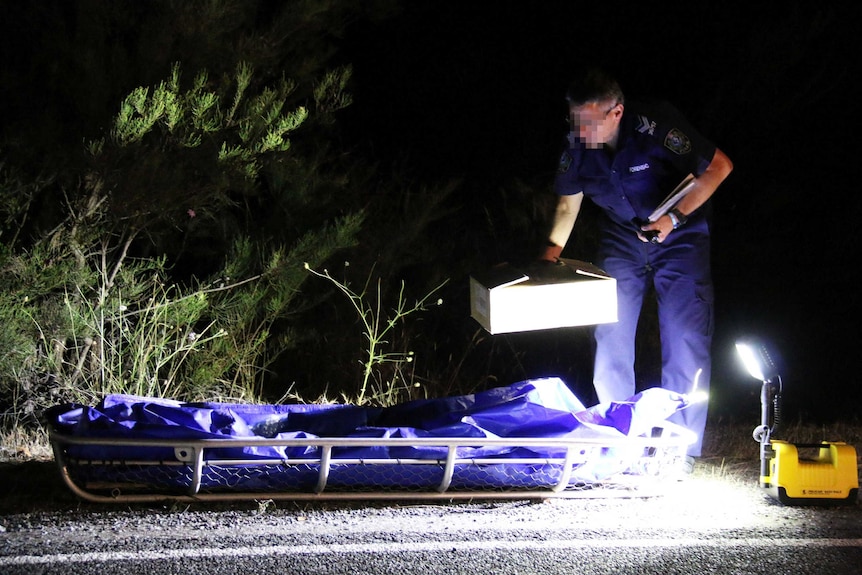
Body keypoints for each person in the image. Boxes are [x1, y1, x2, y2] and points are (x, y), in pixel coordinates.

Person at [542, 68, 733, 462]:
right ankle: (620, 443)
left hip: (681, 235)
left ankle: (678, 450)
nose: (581, 131)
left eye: (590, 122)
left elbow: (719, 167)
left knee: (684, 340)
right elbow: (567, 202)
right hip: (622, 237)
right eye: (575, 121)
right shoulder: (576, 145)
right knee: (610, 334)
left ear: (616, 113)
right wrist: (547, 259)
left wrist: (674, 219)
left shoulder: (656, 126)